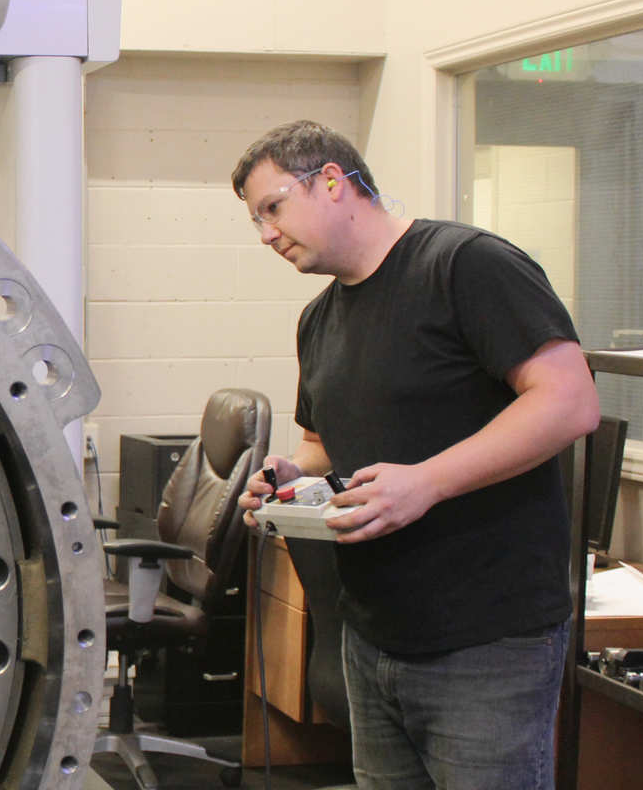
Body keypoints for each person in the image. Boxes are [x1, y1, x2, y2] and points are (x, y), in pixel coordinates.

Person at [230, 120, 599, 790]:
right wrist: (287, 477)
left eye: (273, 208)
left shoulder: (466, 266)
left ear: (333, 182)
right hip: (373, 639)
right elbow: (321, 448)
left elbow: (570, 402)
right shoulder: (318, 321)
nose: (265, 235)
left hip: (487, 643)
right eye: (255, 221)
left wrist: (427, 482)